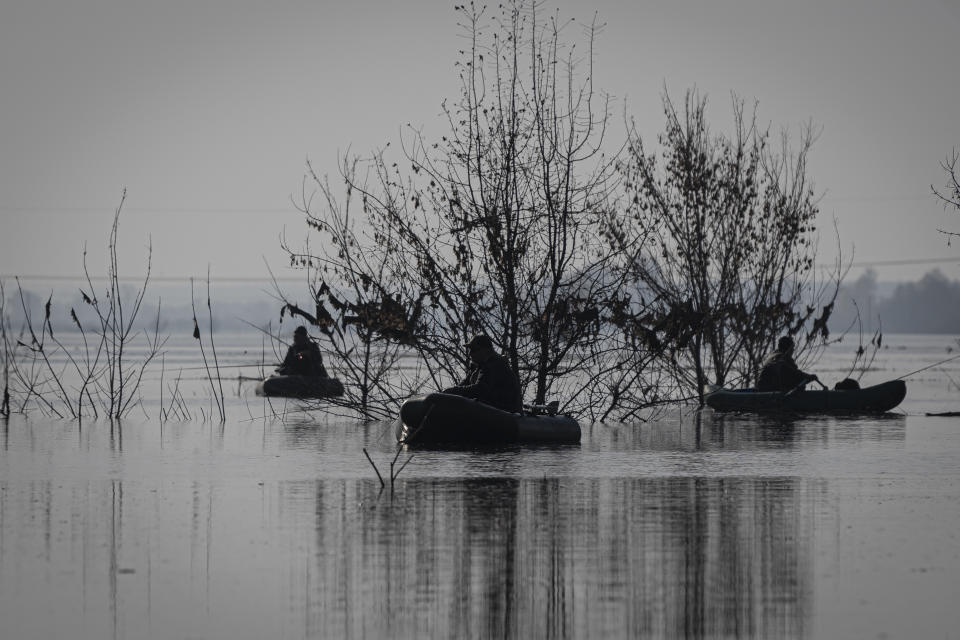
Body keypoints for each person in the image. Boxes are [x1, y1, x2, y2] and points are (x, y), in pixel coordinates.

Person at [443, 334, 523, 412]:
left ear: (486, 350)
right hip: (493, 411)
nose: (470, 353)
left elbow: (480, 389)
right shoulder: (478, 367)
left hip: (505, 413)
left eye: (474, 350)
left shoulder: (495, 364)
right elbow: (464, 384)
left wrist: (453, 391)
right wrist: (449, 394)